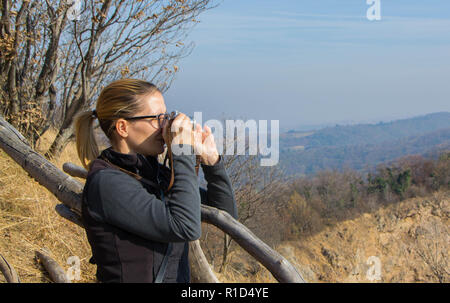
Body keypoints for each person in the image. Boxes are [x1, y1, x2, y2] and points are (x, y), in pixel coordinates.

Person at [74, 78, 238, 283]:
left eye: (166, 117)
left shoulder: (154, 174)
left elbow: (226, 217)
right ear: (123, 128)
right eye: (157, 119)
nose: (165, 127)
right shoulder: (107, 183)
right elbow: (185, 226)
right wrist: (182, 151)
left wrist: (212, 163)